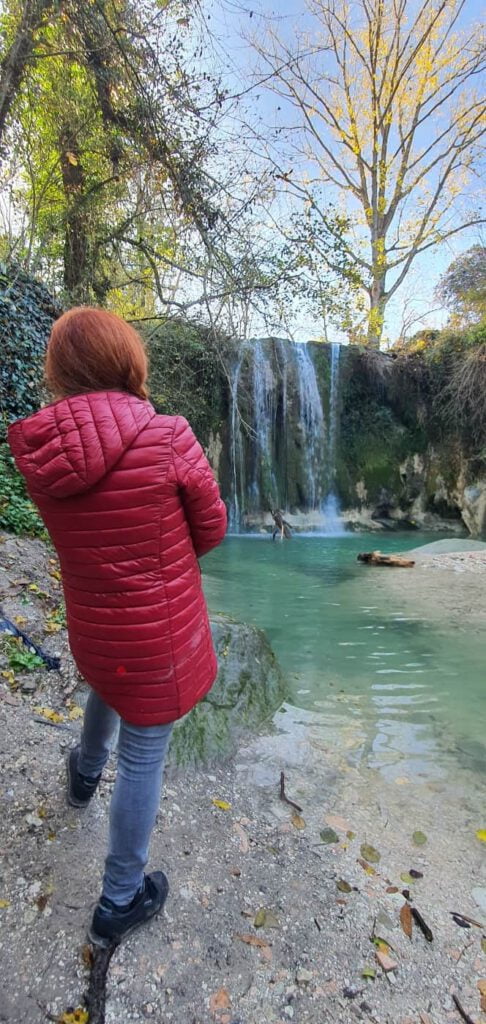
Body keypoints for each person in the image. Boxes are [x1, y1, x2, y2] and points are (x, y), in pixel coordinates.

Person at [8, 307, 227, 947]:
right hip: (156, 633)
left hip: (93, 621)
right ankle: (119, 900)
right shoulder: (167, 436)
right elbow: (211, 528)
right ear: (127, 361)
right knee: (144, 756)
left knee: (108, 677)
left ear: (60, 372)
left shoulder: (41, 454)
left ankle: (82, 770)